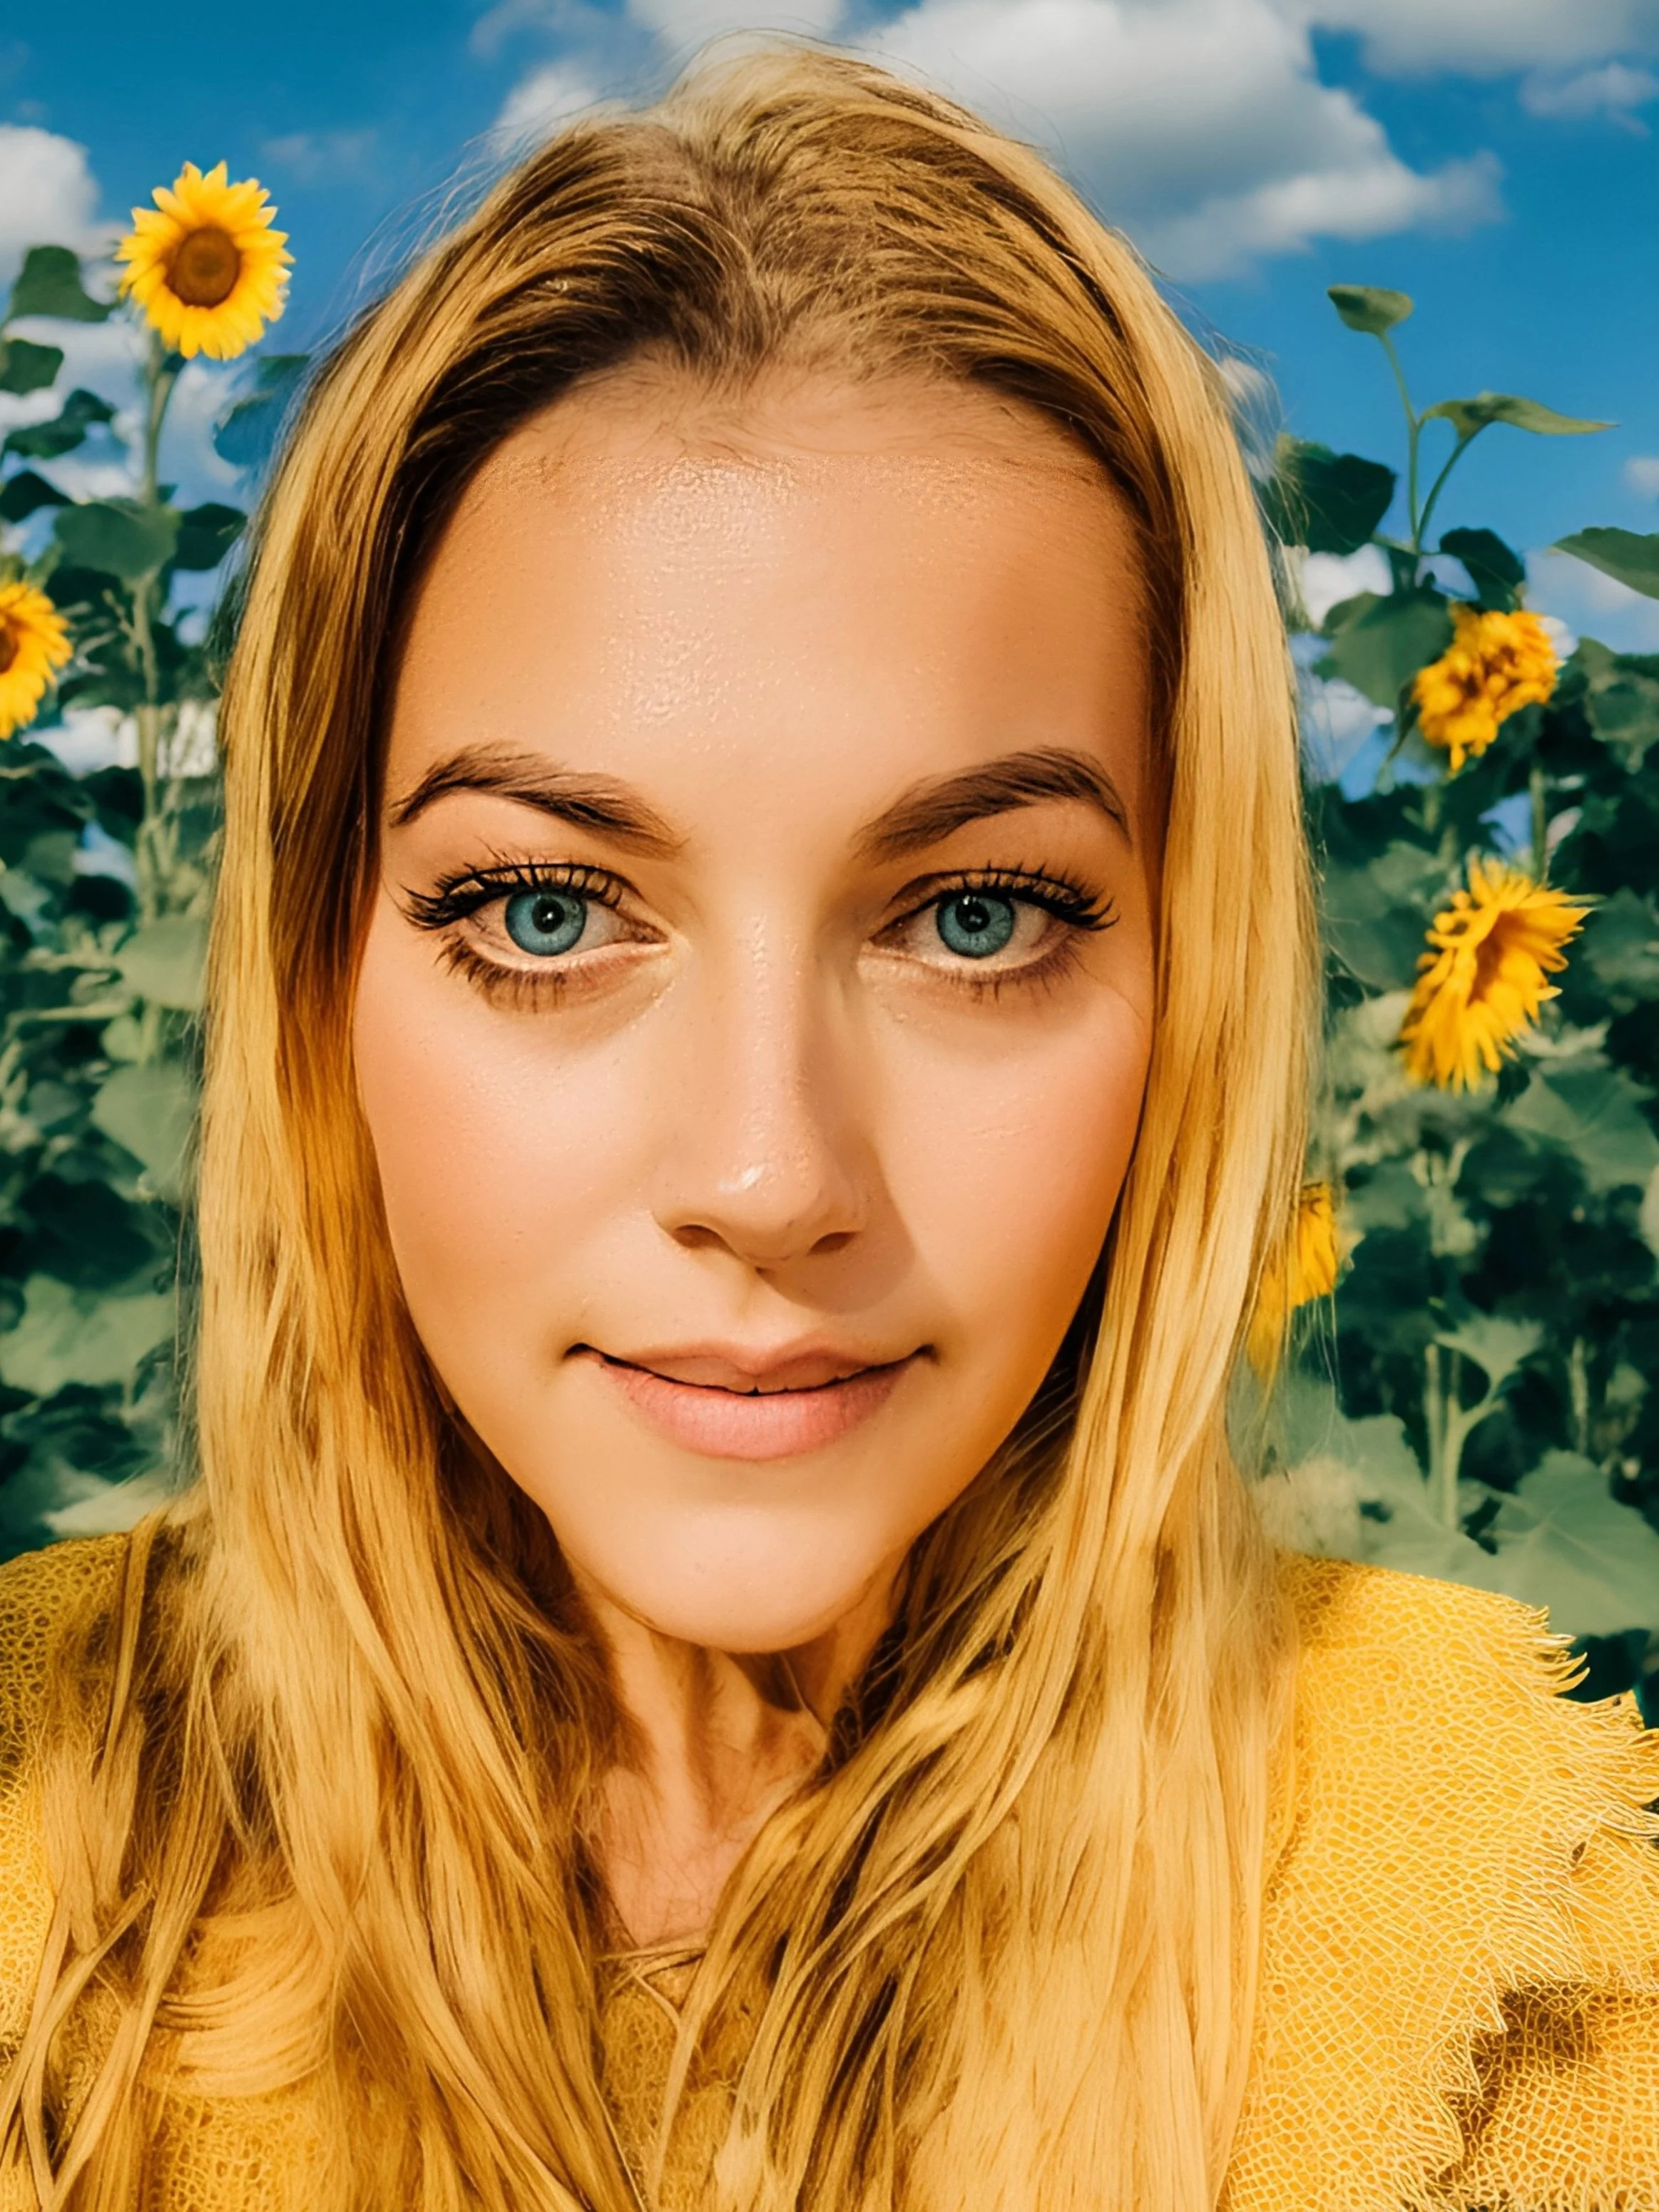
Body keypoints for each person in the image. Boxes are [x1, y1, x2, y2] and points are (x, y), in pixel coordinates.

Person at [1, 43, 1655, 2212]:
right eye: (545, 908)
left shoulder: (1521, 1961)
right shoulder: (47, 1848)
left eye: (974, 917)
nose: (767, 1176)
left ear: (1193, 984)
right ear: (317, 979)